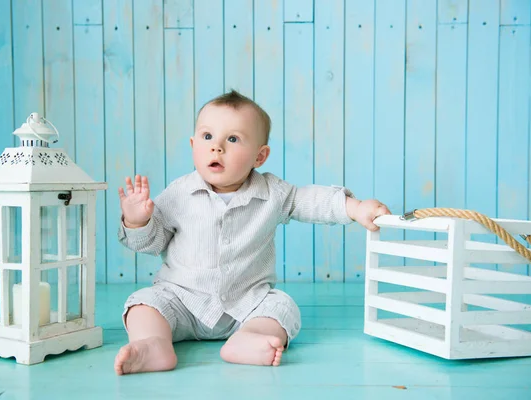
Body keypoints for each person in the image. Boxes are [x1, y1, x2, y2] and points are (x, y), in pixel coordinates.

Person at [113, 90, 391, 375]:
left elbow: (309, 200)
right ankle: (153, 344)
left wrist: (355, 208)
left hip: (246, 305)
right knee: (144, 304)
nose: (216, 147)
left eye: (232, 139)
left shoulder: (273, 193)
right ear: (193, 145)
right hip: (182, 300)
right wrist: (138, 221)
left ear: (260, 156)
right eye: (207, 137)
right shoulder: (178, 193)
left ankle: (250, 338)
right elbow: (153, 242)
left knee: (283, 307)